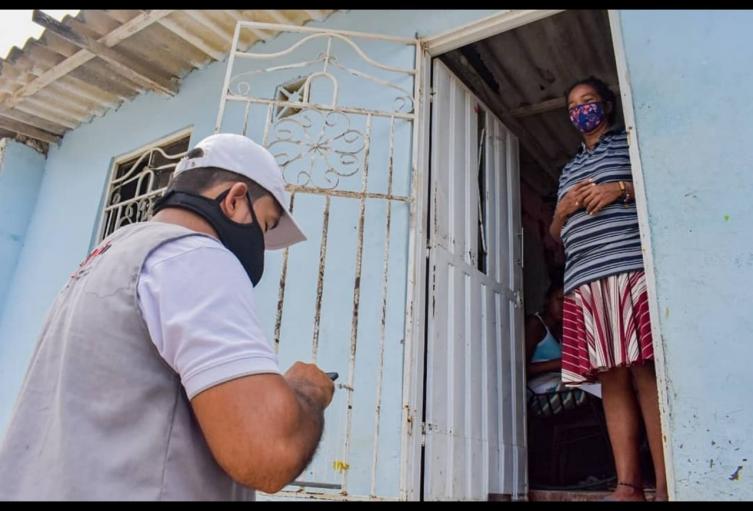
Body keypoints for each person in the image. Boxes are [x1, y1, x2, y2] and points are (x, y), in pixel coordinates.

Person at [0, 133, 335, 500]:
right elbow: (267, 452)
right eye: (266, 224)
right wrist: (307, 391)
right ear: (236, 200)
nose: (260, 244)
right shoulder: (196, 258)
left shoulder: (105, 261)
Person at [550, 76, 667, 501]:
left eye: (589, 101)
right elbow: (553, 236)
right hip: (585, 280)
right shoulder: (567, 169)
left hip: (629, 272)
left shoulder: (630, 144)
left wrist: (618, 190)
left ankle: (669, 486)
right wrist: (561, 212)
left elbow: (662, 189)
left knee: (646, 376)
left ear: (607, 106)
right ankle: (628, 487)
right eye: (573, 106)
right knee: (612, 382)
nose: (581, 110)